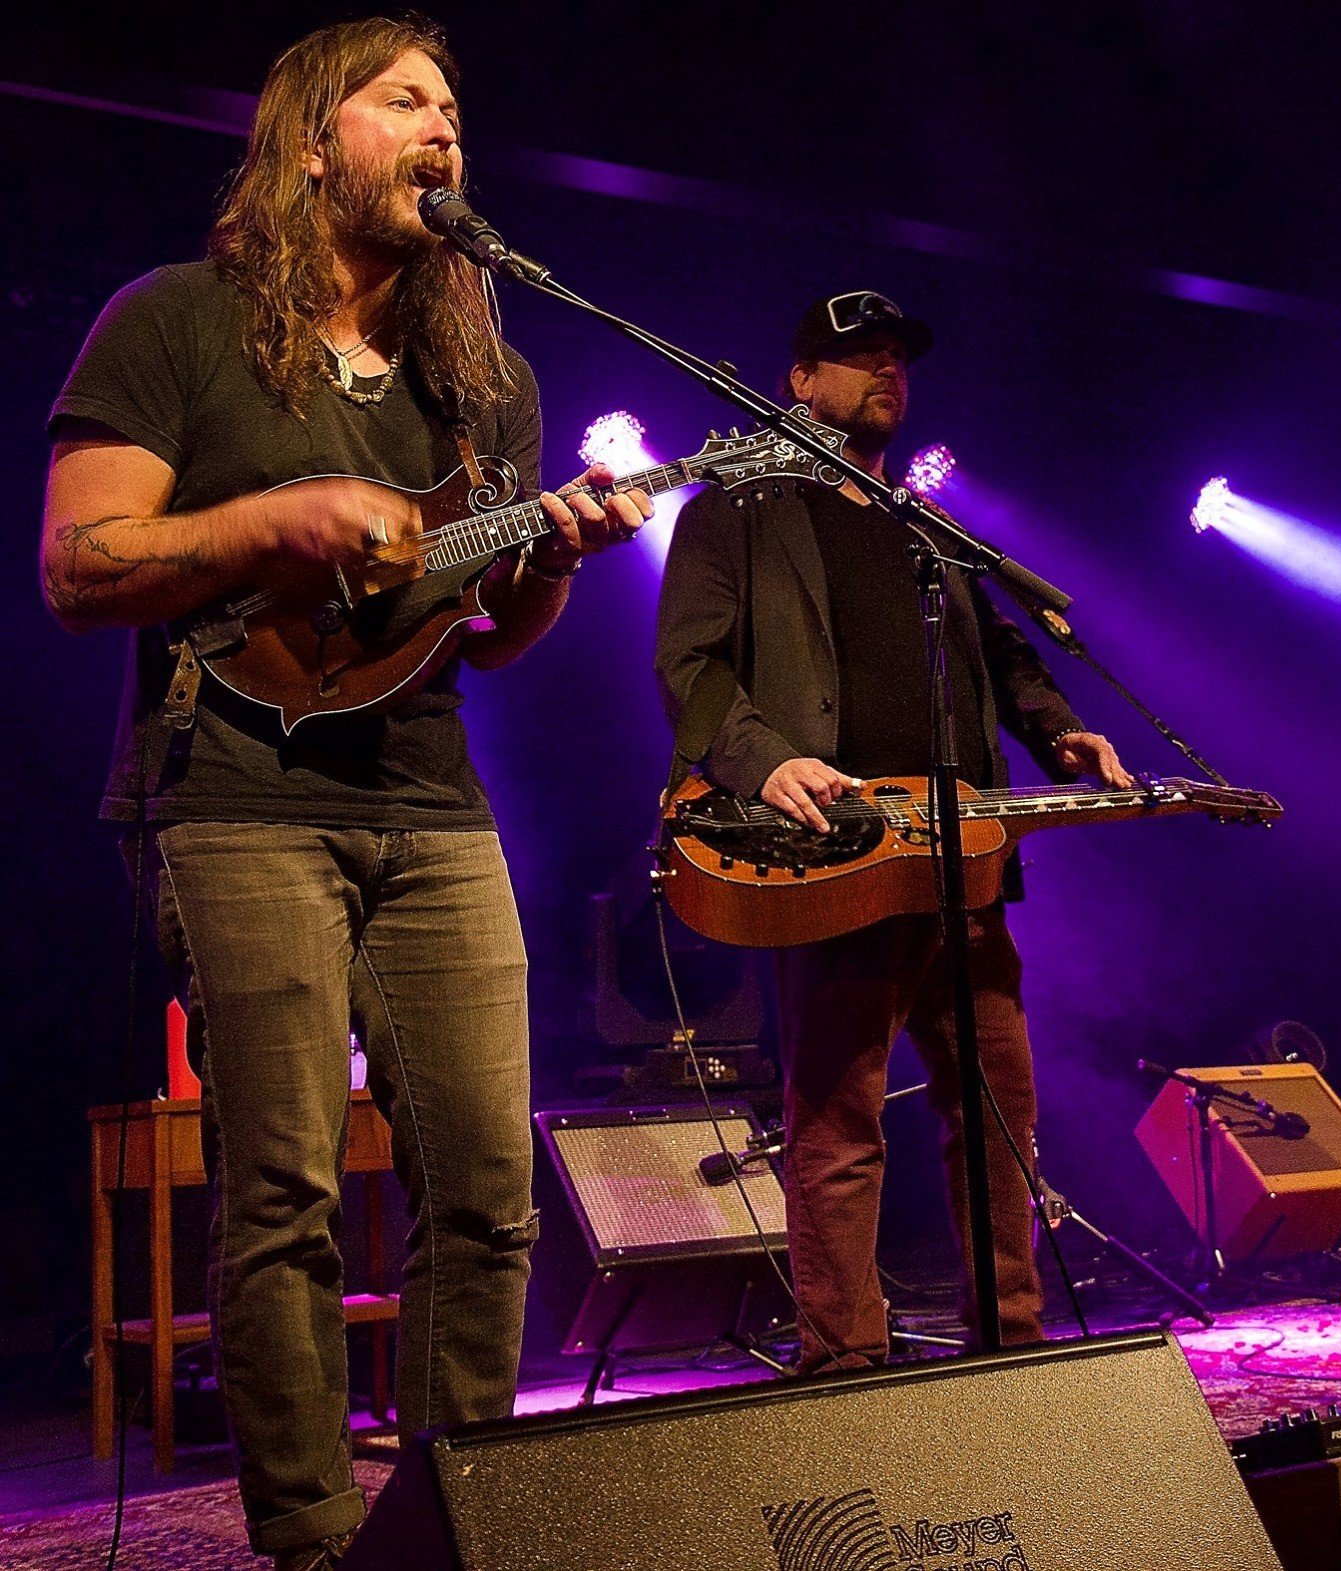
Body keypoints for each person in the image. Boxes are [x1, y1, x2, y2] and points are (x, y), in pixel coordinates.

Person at [39, 19, 650, 1569]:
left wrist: (553, 563)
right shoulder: (173, 323)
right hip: (232, 792)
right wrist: (276, 519)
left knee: (491, 1185)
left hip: (431, 797)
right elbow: (78, 564)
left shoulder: (486, 379)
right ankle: (313, 1536)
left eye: (455, 108)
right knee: (288, 1186)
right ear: (313, 140)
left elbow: (490, 636)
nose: (445, 127)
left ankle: (459, 1518)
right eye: (405, 100)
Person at [655, 290, 1128, 1371]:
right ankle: (845, 1364)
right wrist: (767, 761)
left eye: (896, 357)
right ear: (798, 380)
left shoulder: (927, 525)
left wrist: (1058, 731)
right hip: (838, 862)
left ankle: (1011, 1346)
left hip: (963, 863)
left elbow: (1004, 654)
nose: (885, 371)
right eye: (857, 354)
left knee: (1000, 1118)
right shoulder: (735, 511)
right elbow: (689, 665)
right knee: (838, 1126)